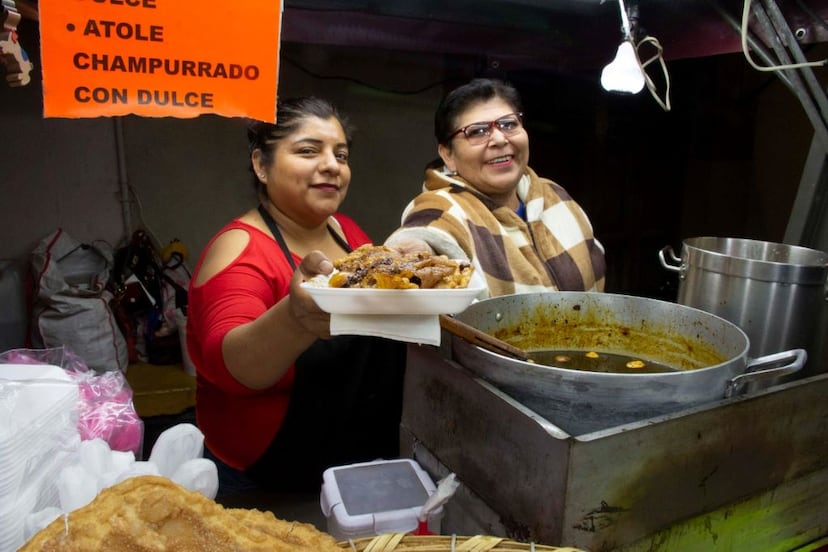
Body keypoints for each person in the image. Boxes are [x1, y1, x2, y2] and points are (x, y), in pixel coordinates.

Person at [186, 97, 407, 494]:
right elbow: (228, 363)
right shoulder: (240, 249)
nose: (332, 165)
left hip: (350, 464)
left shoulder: (346, 231)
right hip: (268, 480)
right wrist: (295, 319)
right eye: (308, 151)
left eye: (341, 154)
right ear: (261, 165)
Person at [386, 78, 606, 297]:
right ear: (448, 155)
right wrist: (412, 254)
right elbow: (424, 233)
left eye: (508, 124)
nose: (499, 139)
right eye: (477, 131)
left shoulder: (555, 195)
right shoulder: (442, 206)